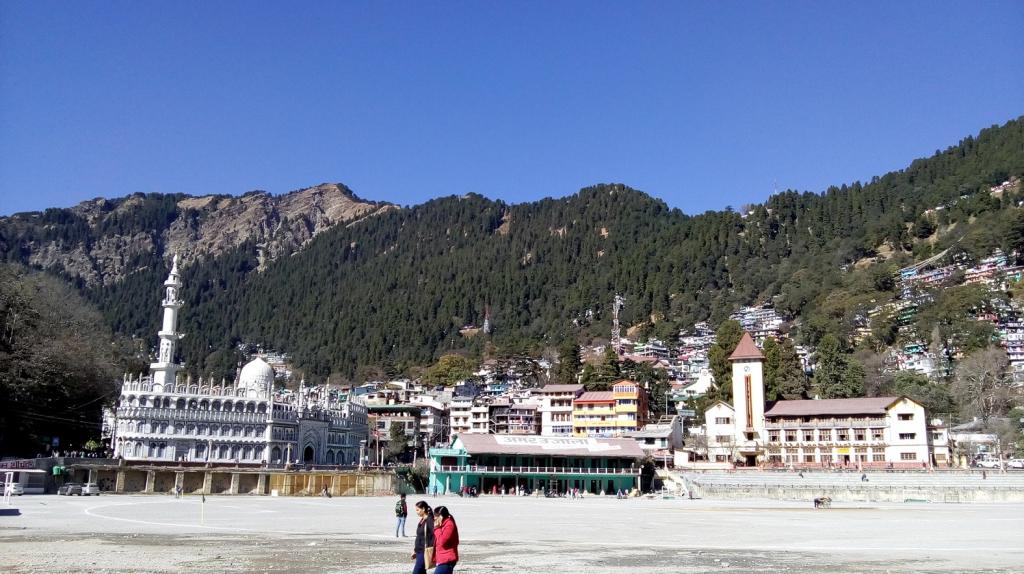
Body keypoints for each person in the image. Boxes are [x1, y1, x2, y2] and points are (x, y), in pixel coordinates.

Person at [433, 505, 459, 574]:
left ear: (441, 516)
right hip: (442, 558)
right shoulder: (443, 524)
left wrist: (437, 528)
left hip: (447, 559)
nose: (434, 518)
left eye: (436, 516)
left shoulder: (449, 524)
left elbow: (442, 541)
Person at [410, 501, 434, 574]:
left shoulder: (429, 520)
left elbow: (434, 535)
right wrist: (415, 550)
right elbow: (419, 536)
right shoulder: (422, 520)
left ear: (423, 509)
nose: (417, 512)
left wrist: (431, 549)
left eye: (418, 510)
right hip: (419, 551)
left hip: (424, 552)